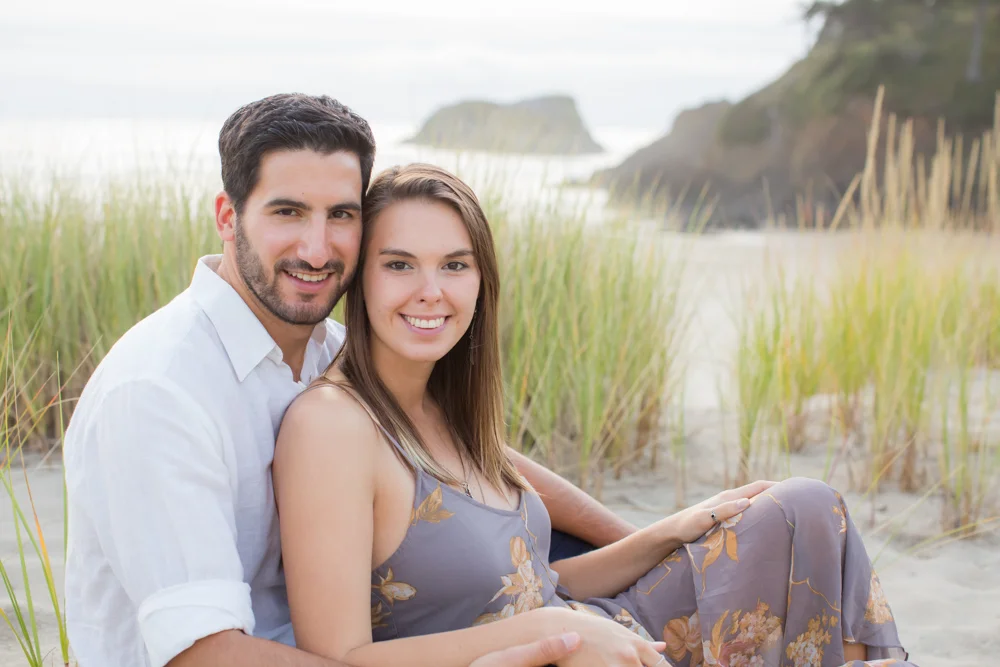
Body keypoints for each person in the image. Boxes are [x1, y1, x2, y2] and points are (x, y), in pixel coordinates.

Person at [272, 163, 919, 667]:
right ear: (360, 281)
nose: (430, 290)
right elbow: (338, 657)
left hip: (592, 627)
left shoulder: (447, 410)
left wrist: (666, 532)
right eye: (399, 264)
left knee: (802, 507)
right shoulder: (332, 425)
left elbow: (532, 580)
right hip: (543, 654)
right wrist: (555, 631)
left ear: (481, 282)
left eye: (454, 265)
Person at [61, 93, 626, 667]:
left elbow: (453, 454)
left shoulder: (324, 344)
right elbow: (204, 656)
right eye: (288, 212)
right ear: (228, 219)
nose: (317, 248)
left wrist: (634, 536)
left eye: (341, 215)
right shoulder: (159, 393)